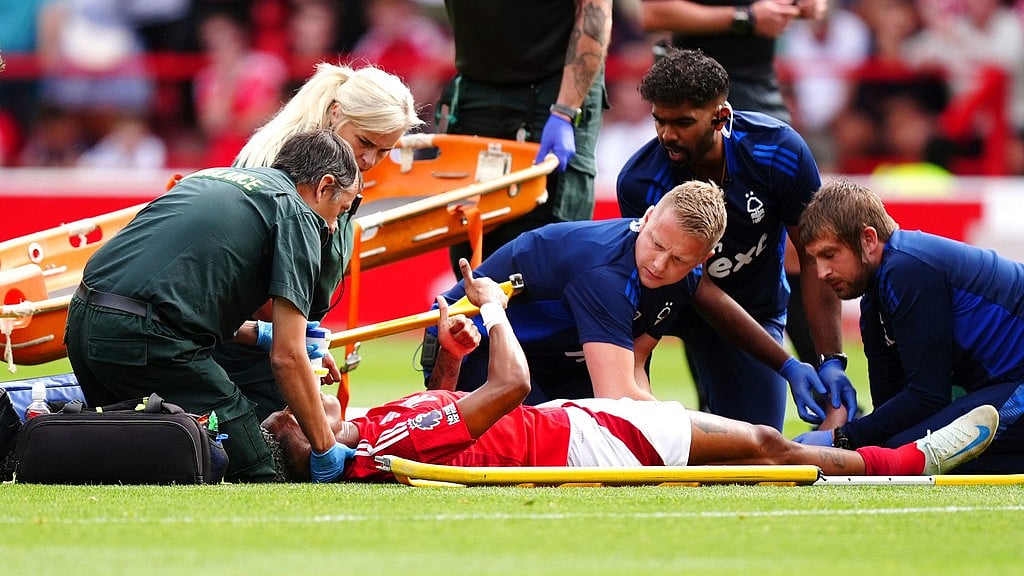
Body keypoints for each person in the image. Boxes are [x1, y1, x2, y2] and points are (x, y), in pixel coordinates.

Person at [263, 258, 998, 482]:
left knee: (762, 444)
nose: (313, 392)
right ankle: (905, 462)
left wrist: (451, 363)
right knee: (764, 447)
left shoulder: (366, 433)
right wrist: (492, 313)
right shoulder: (368, 446)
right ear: (311, 437)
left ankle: (896, 460)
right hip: (584, 440)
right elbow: (512, 386)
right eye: (303, 408)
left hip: (571, 427)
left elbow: (449, 422)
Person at [64, 130, 363, 483]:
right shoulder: (297, 214)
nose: (331, 226)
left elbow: (178, 298)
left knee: (144, 466)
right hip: (143, 337)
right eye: (339, 210)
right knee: (255, 470)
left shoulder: (212, 176)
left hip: (82, 321)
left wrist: (261, 334)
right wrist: (325, 448)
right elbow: (288, 357)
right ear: (324, 186)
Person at [422, 181, 837, 425]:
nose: (658, 264)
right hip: (474, 352)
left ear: (703, 260)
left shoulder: (684, 276)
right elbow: (619, 394)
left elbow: (635, 365)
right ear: (649, 215)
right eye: (656, 243)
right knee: (560, 442)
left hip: (559, 361)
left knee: (611, 438)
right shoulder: (604, 273)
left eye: (679, 259)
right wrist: (715, 431)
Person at [616, 48, 855, 432]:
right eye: (659, 121)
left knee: (753, 448)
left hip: (756, 307)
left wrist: (831, 359)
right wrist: (786, 363)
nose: (667, 135)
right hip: (672, 304)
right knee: (630, 429)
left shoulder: (779, 151)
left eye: (683, 122)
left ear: (721, 117)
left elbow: (814, 255)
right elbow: (697, 287)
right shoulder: (641, 181)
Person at [213, 62, 423, 422]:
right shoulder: (290, 169)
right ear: (336, 113)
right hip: (248, 350)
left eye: (384, 151)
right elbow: (264, 284)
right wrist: (293, 341)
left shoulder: (313, 159)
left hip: (267, 341)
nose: (370, 160)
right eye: (365, 142)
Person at [793, 179, 1024, 474]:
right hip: (1005, 383)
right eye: (815, 260)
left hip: (1016, 382)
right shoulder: (874, 299)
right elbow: (892, 407)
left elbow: (927, 396)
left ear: (868, 239)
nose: (822, 273)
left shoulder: (906, 269)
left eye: (829, 255)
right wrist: (845, 429)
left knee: (898, 458)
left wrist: (839, 439)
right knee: (891, 451)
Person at [436, 0, 613, 276]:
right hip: (478, 83)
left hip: (556, 87)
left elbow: (594, 13)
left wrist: (565, 111)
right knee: (470, 240)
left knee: (550, 241)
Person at [640, 0, 826, 125]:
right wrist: (746, 18)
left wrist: (803, 5)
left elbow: (816, 5)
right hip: (696, 90)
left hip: (760, 84)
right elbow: (655, 13)